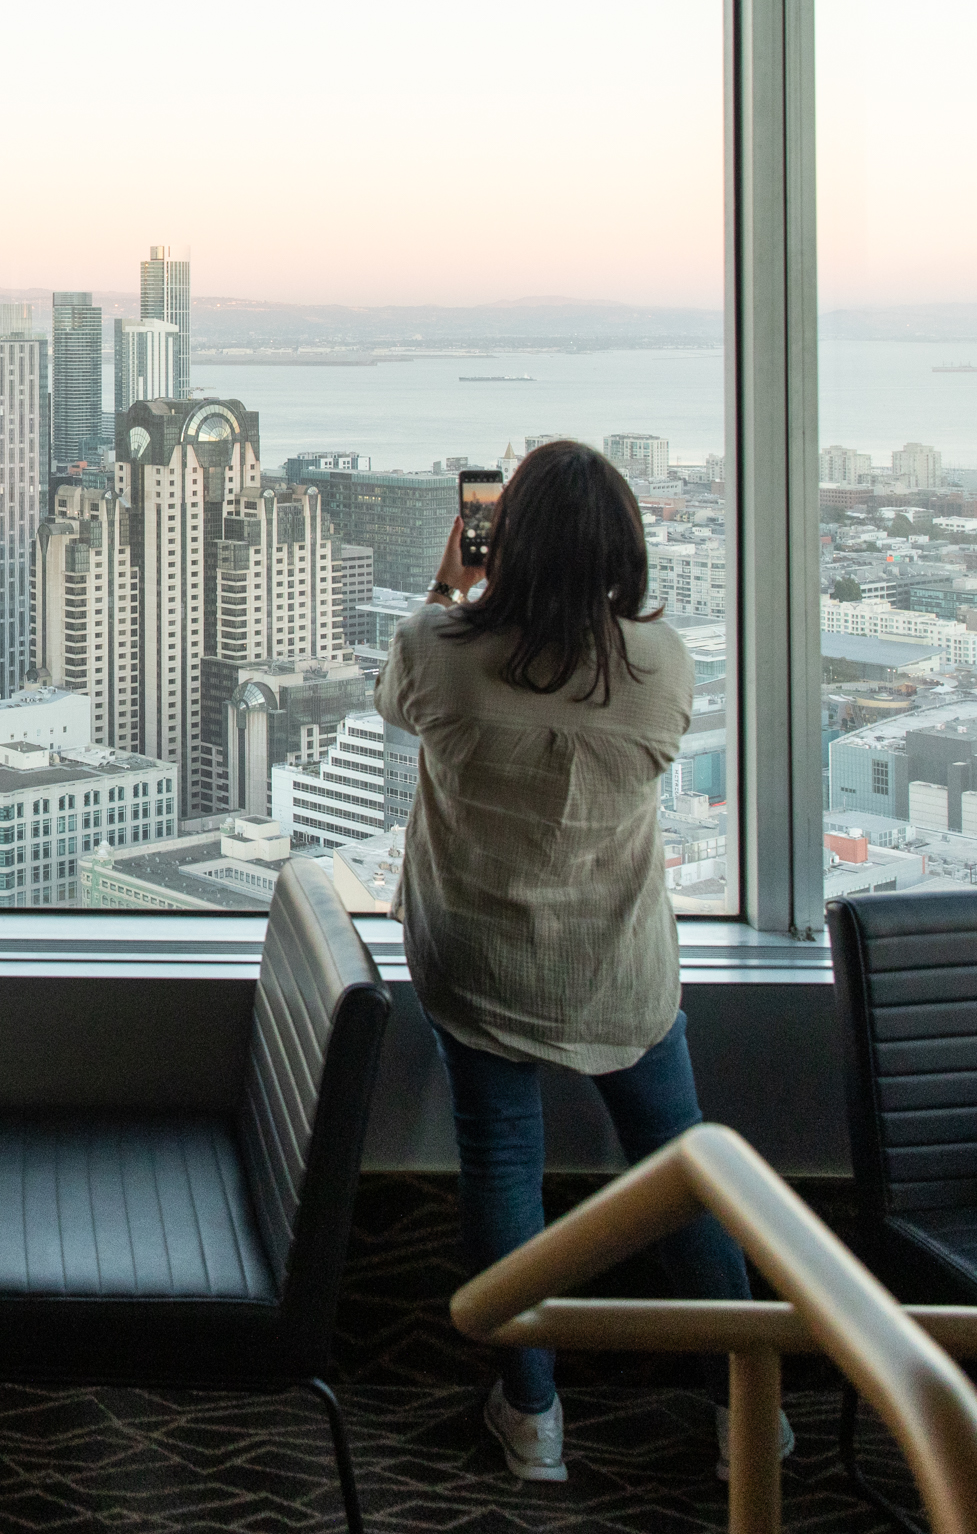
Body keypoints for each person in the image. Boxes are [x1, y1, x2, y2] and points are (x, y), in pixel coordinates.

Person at [375, 440, 782, 1483]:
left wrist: (450, 583)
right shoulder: (660, 665)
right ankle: (747, 1405)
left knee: (503, 1163)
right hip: (619, 964)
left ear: (504, 540)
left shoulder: (444, 646)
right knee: (679, 1174)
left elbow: (393, 702)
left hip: (478, 956)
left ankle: (533, 1409)